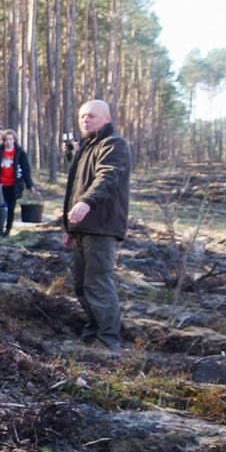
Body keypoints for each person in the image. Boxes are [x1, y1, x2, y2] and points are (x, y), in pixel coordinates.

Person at [63, 100, 131, 348]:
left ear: (107, 118)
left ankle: (108, 340)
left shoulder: (114, 145)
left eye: (91, 116)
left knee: (98, 283)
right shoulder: (85, 148)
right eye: (82, 116)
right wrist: (68, 227)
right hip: (82, 227)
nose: (85, 120)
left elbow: (107, 176)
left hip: (101, 226)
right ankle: (93, 330)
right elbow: (75, 188)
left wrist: (86, 202)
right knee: (81, 285)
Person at [0, 129, 37, 237]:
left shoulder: (20, 153)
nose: (8, 141)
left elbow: (26, 170)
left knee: (11, 209)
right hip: (0, 184)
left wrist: (30, 184)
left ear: (14, 140)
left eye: (10, 139)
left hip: (13, 185)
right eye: (6, 139)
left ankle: (7, 230)